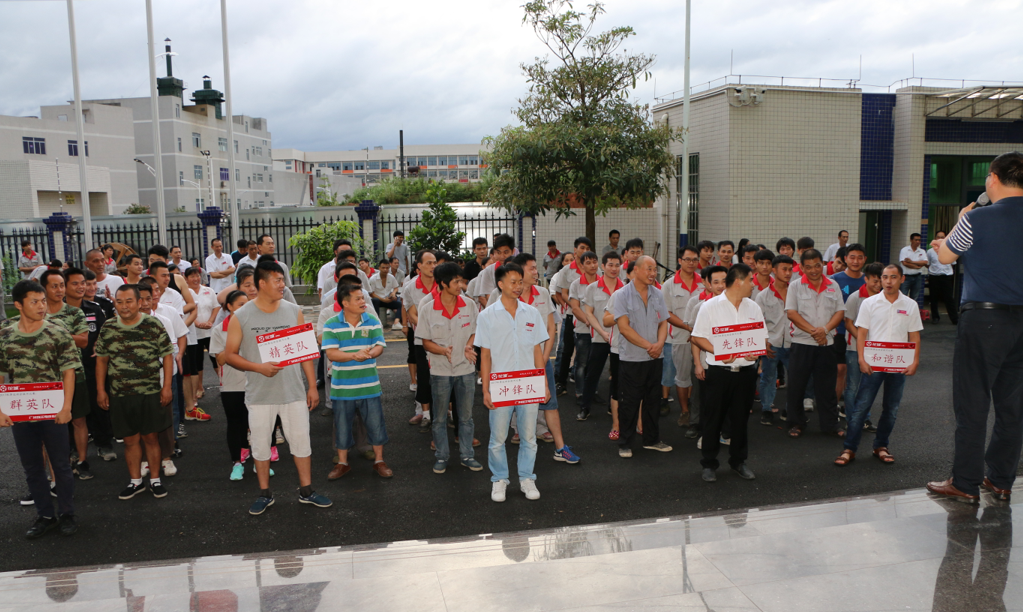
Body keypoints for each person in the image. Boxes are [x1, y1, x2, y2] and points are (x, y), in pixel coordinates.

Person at [927, 151, 1023, 503]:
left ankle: (964, 482)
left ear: (993, 178)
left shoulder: (978, 218)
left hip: (985, 319)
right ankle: (1000, 479)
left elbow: (946, 255)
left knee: (973, 402)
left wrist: (960, 220)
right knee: (1013, 406)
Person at [224, 261, 330, 515]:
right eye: (277, 280)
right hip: (260, 395)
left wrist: (312, 387)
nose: (283, 285)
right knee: (260, 446)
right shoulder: (242, 315)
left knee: (301, 443)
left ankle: (307, 491)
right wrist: (258, 367)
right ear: (262, 283)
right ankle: (265, 494)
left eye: (283, 280)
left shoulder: (294, 311)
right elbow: (229, 355)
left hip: (292, 393)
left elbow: (305, 353)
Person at [0, 280, 81, 538]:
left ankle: (68, 514)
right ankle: (45, 515)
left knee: (61, 464)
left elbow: (69, 371)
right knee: (32, 467)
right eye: (34, 301)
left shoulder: (57, 332)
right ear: (18, 305)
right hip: (20, 409)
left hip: (53, 407)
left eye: (43, 301)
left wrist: (67, 407)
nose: (41, 306)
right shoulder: (4, 333)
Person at [834, 263, 922, 467]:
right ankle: (849, 448)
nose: (888, 281)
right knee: (861, 407)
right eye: (884, 277)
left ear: (901, 279)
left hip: (899, 365)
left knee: (891, 408)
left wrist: (915, 361)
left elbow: (914, 335)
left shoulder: (910, 305)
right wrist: (861, 359)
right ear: (880, 279)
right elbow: (862, 333)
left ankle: (881, 446)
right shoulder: (870, 303)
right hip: (873, 364)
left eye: (893, 277)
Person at [476, 262, 550, 502]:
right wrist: (486, 388)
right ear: (500, 284)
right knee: (498, 438)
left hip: (529, 384)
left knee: (528, 436)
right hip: (501, 386)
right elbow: (485, 355)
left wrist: (545, 383)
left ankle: (527, 477)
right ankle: (499, 479)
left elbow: (538, 351)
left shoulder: (532, 313)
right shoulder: (487, 315)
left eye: (521, 281)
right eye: (513, 282)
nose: (519, 286)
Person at [95, 285, 174, 500]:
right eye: (119, 301)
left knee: (151, 437)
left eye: (129, 301)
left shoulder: (152, 324)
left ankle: (155, 480)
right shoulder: (109, 327)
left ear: (139, 302)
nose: (124, 305)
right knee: (130, 441)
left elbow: (168, 355)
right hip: (120, 394)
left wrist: (166, 387)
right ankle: (135, 481)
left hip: (149, 392)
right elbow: (101, 360)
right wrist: (101, 390)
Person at [691, 264, 764, 483]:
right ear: (740, 281)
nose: (753, 285)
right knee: (713, 418)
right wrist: (719, 351)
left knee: (741, 419)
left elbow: (760, 337)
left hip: (745, 373)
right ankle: (709, 464)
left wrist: (755, 355)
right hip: (719, 373)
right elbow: (697, 337)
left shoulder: (753, 307)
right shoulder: (710, 306)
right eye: (751, 280)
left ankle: (738, 461)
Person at [322, 279, 392, 479]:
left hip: (369, 386)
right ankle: (343, 463)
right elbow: (332, 354)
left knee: (376, 426)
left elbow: (379, 345)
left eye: (363, 298)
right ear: (345, 302)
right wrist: (354, 355)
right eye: (358, 299)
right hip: (342, 388)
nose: (364, 302)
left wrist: (369, 354)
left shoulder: (371, 320)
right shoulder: (331, 324)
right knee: (342, 427)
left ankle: (379, 461)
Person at [417, 262, 483, 474]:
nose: (460, 285)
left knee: (465, 417)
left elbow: (475, 331)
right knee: (439, 418)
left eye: (461, 280)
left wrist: (469, 345)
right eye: (456, 281)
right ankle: (442, 457)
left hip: (465, 369)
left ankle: (467, 456)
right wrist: (442, 350)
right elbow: (425, 342)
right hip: (440, 371)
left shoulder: (469, 305)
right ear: (443, 284)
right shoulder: (427, 309)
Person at [784, 248, 846, 438]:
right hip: (802, 343)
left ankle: (830, 424)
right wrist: (814, 331)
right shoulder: (795, 286)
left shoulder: (833, 285)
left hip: (827, 344)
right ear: (801, 267)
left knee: (826, 387)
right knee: (796, 386)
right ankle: (797, 422)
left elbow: (839, 312)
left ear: (823, 265)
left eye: (817, 265)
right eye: (808, 267)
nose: (813, 270)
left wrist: (824, 330)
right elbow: (791, 313)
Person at [614, 256, 671, 457]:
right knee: (629, 401)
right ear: (635, 270)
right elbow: (623, 328)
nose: (653, 273)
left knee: (653, 400)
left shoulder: (657, 293)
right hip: (633, 358)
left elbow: (664, 321)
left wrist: (660, 344)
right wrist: (650, 346)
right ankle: (625, 442)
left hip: (656, 357)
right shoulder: (621, 295)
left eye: (655, 269)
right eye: (649, 269)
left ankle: (651, 439)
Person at [37, 270, 92, 479]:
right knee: (46, 427)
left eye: (61, 285)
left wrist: (57, 334)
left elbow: (84, 341)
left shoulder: (74, 313)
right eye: (54, 286)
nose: (59, 290)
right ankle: (50, 472)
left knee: (78, 420)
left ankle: (82, 461)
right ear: (44, 288)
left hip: (73, 374)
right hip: (45, 378)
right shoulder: (37, 313)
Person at [65, 267, 116, 463]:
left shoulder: (95, 309)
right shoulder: (57, 313)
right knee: (71, 410)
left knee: (99, 406)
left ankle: (104, 444)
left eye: (83, 283)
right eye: (75, 283)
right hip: (68, 370)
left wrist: (100, 345)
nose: (81, 287)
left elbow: (105, 334)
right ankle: (73, 449)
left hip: (93, 367)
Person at [209, 290, 251, 480]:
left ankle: (260, 461)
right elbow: (220, 358)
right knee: (235, 423)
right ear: (229, 307)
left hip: (254, 382)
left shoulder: (254, 326)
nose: (246, 307)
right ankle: (237, 462)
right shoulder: (219, 330)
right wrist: (234, 341)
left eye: (248, 303)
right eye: (241, 304)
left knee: (255, 425)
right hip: (232, 385)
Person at [579, 250, 625, 421]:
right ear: (603, 266)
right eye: (610, 265)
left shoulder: (625, 288)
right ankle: (585, 406)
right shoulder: (592, 288)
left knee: (617, 375)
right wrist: (602, 332)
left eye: (617, 265)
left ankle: (611, 406)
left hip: (620, 340)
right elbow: (589, 313)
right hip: (599, 338)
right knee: (593, 374)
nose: (614, 269)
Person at [686, 266, 728, 445]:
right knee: (706, 402)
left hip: (730, 364)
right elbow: (695, 339)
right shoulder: (700, 307)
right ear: (708, 284)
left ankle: (725, 434)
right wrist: (697, 364)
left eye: (724, 281)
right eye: (716, 282)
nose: (720, 286)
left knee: (726, 402)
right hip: (707, 363)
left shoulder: (738, 306)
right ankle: (706, 434)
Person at [841, 262, 883, 433]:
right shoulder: (855, 297)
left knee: (868, 386)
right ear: (866, 279)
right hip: (854, 348)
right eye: (874, 281)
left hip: (876, 350)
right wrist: (863, 341)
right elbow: (848, 322)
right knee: (852, 386)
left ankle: (864, 419)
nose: (878, 284)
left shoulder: (884, 298)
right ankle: (852, 420)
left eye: (881, 280)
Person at [665, 246, 702, 426]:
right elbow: (667, 312)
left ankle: (696, 408)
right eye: (688, 259)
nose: (691, 263)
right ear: (680, 261)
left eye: (695, 260)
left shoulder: (704, 282)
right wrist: (687, 327)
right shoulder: (669, 285)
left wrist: (696, 330)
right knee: (682, 376)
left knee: (700, 374)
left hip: (702, 339)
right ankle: (685, 411)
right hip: (680, 337)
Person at [755, 255, 794, 425]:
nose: (788, 273)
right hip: (772, 343)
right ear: (774, 270)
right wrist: (763, 342)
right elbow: (758, 322)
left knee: (795, 378)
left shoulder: (796, 292)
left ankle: (790, 408)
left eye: (790, 269)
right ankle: (766, 409)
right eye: (784, 269)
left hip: (793, 343)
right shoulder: (763, 296)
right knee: (768, 377)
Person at [403, 250, 439, 430]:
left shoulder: (442, 283)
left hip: (442, 339)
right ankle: (424, 413)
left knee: (443, 376)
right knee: (424, 377)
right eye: (428, 263)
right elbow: (412, 315)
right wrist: (429, 331)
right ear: (418, 266)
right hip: (421, 339)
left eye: (434, 263)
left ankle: (445, 412)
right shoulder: (410, 287)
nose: (433, 266)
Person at [554, 236, 594, 395]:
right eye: (582, 248)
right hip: (572, 315)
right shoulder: (566, 270)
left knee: (588, 353)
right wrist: (574, 306)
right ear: (575, 249)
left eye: (587, 248)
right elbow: (561, 293)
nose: (585, 251)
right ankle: (561, 382)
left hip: (592, 318)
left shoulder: (595, 269)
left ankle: (588, 386)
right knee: (566, 349)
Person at [831, 243, 867, 411]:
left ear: (865, 259)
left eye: (860, 257)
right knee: (840, 370)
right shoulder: (835, 280)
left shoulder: (868, 280)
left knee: (858, 373)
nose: (856, 261)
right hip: (839, 332)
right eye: (852, 257)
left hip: (863, 334)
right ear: (845, 259)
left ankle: (851, 408)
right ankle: (833, 408)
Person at [567, 251, 599, 406]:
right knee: (582, 363)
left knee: (596, 364)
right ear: (581, 265)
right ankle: (580, 393)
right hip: (583, 330)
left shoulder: (603, 282)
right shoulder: (576, 284)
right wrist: (590, 321)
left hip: (600, 332)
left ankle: (593, 392)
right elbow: (575, 308)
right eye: (588, 262)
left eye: (595, 261)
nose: (592, 265)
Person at [185, 267, 220, 398]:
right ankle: (199, 388)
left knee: (215, 359)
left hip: (210, 331)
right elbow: (187, 312)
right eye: (192, 276)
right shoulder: (185, 293)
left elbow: (216, 307)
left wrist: (210, 321)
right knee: (197, 361)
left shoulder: (208, 290)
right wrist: (197, 323)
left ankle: (223, 383)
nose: (196, 279)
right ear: (186, 278)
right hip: (195, 332)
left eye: (197, 276)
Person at [474, 233, 516, 309]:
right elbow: (487, 297)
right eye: (498, 252)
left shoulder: (520, 269)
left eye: (506, 252)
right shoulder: (488, 271)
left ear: (513, 251)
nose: (502, 256)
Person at [926, 231, 958, 325]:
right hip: (934, 277)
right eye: (938, 237)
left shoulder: (950, 250)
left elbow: (953, 263)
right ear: (935, 238)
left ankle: (954, 318)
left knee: (949, 298)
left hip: (946, 277)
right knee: (933, 298)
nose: (940, 238)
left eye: (942, 237)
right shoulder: (930, 251)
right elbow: (928, 264)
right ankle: (935, 317)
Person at [368, 258, 401, 326]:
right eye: (383, 268)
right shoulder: (373, 278)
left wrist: (393, 293)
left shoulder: (391, 277)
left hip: (388, 299)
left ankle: (396, 322)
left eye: (387, 268)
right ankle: (376, 322)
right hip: (378, 300)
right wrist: (383, 300)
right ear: (379, 268)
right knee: (375, 300)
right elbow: (371, 293)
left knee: (401, 304)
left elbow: (396, 288)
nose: (385, 270)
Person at [899, 233, 928, 300]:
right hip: (906, 277)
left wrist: (912, 262)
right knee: (903, 295)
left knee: (915, 296)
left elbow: (925, 262)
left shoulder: (922, 251)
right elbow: (905, 263)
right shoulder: (904, 250)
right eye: (916, 240)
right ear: (911, 240)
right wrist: (917, 267)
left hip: (917, 277)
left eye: (919, 240)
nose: (918, 242)